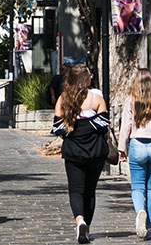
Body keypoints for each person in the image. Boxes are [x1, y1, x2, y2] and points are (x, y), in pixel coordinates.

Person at [54, 64, 111, 244]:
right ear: (86, 80)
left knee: (76, 190)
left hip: (73, 152)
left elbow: (58, 128)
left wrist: (74, 127)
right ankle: (87, 228)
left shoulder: (63, 100)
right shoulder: (96, 98)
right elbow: (104, 126)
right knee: (90, 190)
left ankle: (80, 220)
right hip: (95, 152)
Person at [118, 69, 151, 240]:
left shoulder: (131, 101)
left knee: (137, 187)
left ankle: (140, 210)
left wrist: (121, 148)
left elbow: (125, 126)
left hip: (137, 145)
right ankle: (149, 226)